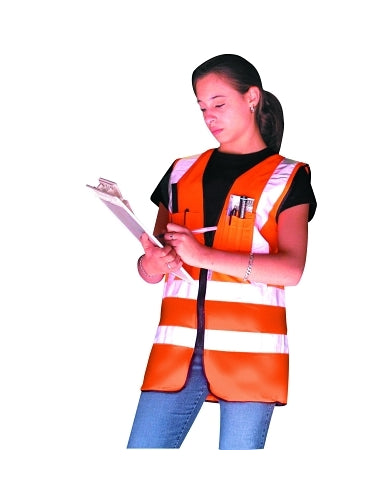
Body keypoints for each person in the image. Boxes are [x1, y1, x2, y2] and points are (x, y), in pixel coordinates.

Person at [127, 54, 316, 449]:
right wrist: (152, 262)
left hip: (250, 356)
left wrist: (204, 257)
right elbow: (152, 268)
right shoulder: (180, 172)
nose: (209, 116)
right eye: (202, 108)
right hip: (176, 353)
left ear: (252, 97)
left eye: (218, 103)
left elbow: (291, 269)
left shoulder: (288, 177)